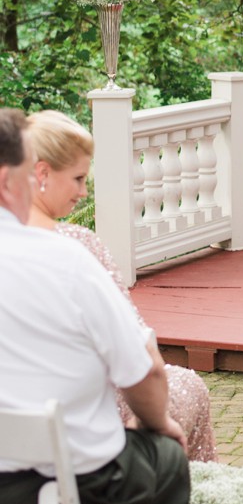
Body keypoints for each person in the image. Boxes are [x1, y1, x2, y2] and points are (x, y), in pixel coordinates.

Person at [0, 108, 190, 504]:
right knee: (167, 457)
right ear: (8, 182)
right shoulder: (66, 259)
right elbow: (145, 369)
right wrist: (159, 424)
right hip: (79, 480)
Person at [25, 109, 218, 462]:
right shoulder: (77, 247)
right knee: (187, 386)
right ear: (42, 173)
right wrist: (153, 417)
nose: (83, 192)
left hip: (18, 427)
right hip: (83, 430)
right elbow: (141, 356)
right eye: (79, 178)